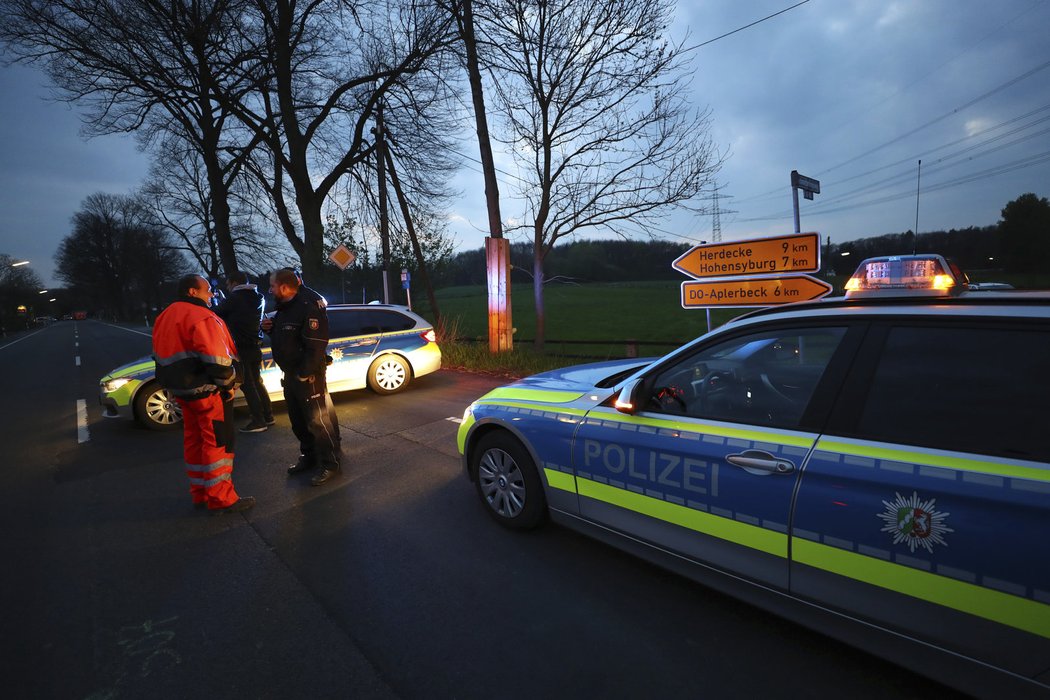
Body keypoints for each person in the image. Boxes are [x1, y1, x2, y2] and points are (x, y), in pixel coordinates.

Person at [152, 274, 254, 513]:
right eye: (207, 290)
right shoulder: (202, 317)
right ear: (192, 292)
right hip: (207, 392)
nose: (211, 295)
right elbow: (217, 361)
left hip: (182, 391)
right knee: (217, 442)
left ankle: (200, 493)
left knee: (194, 440)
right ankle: (221, 498)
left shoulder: (165, 316)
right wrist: (229, 385)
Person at [263, 268, 341, 486]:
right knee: (298, 420)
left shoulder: (308, 306)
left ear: (284, 287)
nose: (270, 290)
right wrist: (270, 329)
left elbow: (315, 345)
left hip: (307, 375)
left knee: (317, 421)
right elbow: (288, 337)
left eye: (272, 286)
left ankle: (330, 463)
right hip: (290, 373)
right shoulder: (286, 307)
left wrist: (304, 373)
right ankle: (309, 456)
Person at [217, 271, 275, 433]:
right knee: (257, 381)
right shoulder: (258, 297)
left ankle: (258, 421)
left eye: (228, 284)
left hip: (241, 347)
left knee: (248, 384)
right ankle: (268, 416)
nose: (228, 287)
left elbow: (216, 312)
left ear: (234, 283)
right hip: (255, 345)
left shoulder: (234, 299)